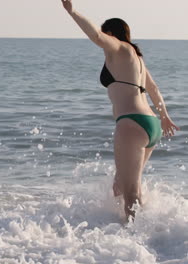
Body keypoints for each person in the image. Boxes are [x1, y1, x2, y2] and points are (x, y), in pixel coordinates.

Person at [61, 0, 179, 220]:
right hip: (150, 125)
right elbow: (153, 89)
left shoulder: (119, 47)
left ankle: (136, 241)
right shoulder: (137, 58)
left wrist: (73, 12)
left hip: (131, 123)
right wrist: (164, 117)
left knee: (132, 193)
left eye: (108, 35)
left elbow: (95, 35)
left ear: (112, 33)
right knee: (119, 186)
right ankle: (123, 233)